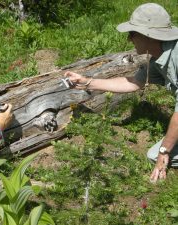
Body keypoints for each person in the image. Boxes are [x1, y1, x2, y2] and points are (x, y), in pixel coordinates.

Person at [64, 3, 178, 183]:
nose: (129, 40)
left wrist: (164, 152)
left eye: (132, 34)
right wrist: (88, 82)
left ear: (148, 35)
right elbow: (133, 83)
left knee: (160, 153)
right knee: (152, 155)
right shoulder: (159, 57)